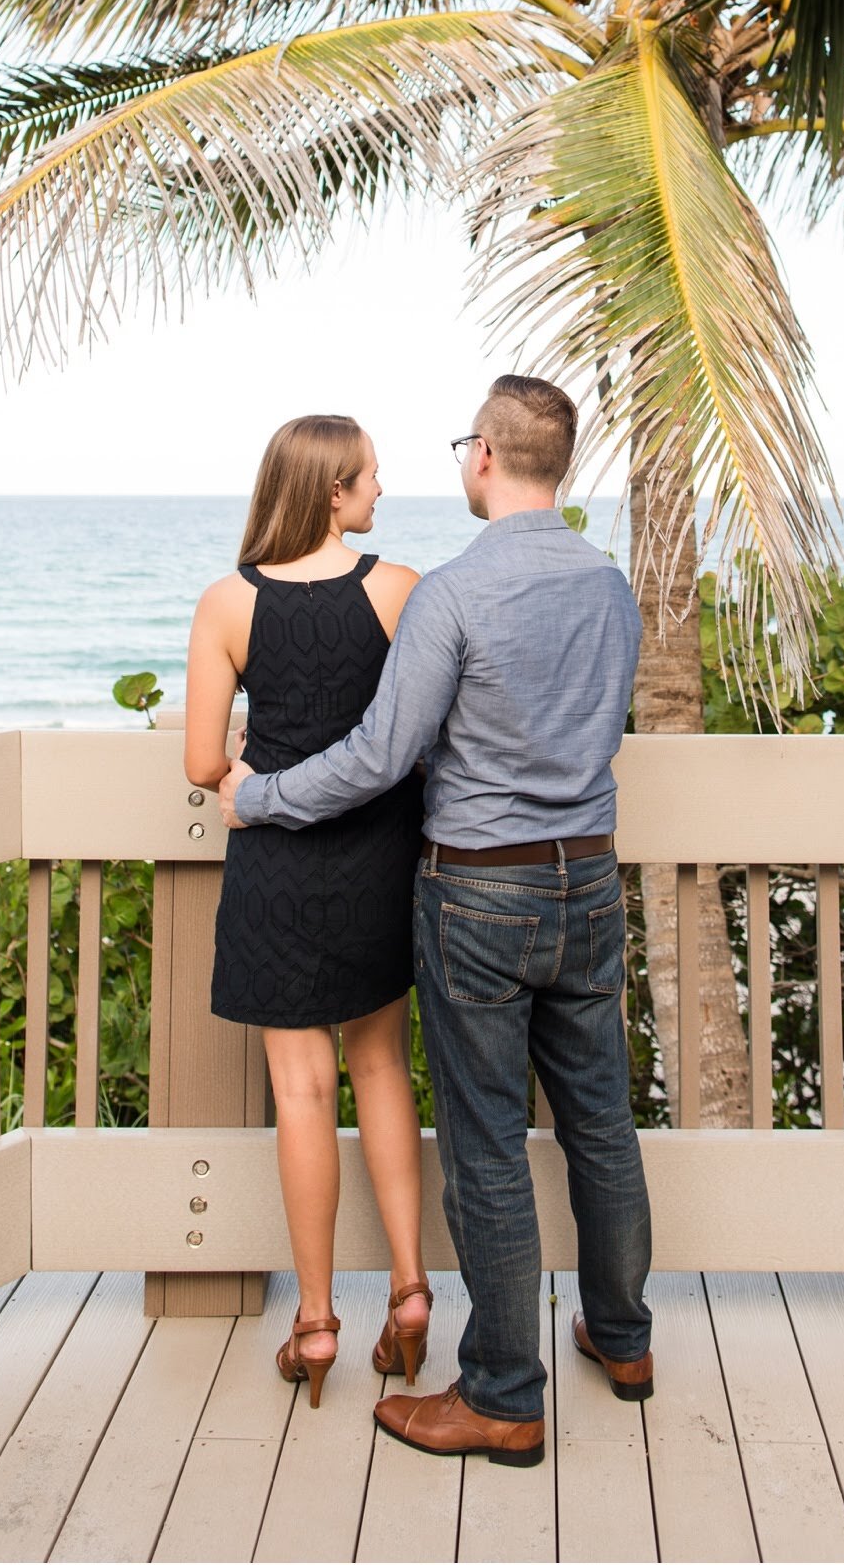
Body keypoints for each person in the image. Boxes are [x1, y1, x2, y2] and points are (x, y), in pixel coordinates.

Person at [219, 374, 652, 1468]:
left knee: (488, 1144)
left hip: (482, 890)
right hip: (590, 882)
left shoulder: (455, 594)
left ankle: (504, 1392)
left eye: (464, 447)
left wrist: (257, 795)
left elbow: (377, 756)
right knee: (600, 1119)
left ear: (488, 459)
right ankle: (624, 1335)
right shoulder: (610, 590)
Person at [185, 414, 433, 1410]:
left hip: (277, 865)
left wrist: (256, 751)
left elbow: (204, 765)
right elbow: (422, 731)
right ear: (333, 490)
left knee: (300, 1089)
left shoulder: (225, 603)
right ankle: (410, 1293)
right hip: (379, 858)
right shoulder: (399, 589)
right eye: (370, 474)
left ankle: (317, 1319)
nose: (382, 487)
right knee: (380, 1064)